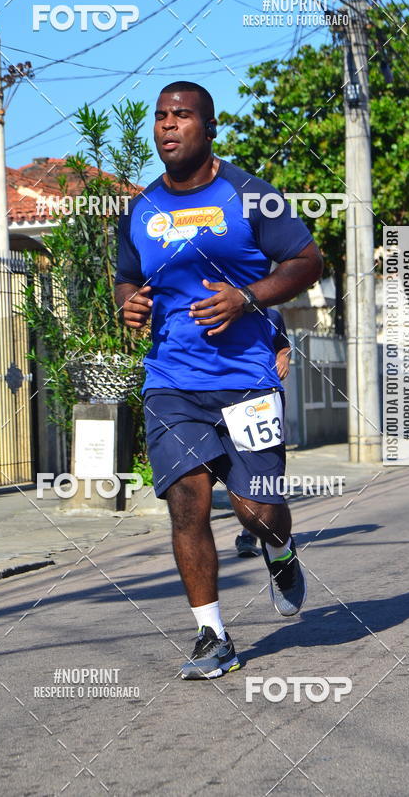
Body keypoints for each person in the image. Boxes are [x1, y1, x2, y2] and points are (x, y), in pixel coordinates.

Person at [115, 81, 323, 680]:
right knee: (188, 503)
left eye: (181, 116)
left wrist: (247, 298)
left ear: (209, 127)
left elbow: (308, 262)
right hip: (172, 380)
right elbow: (128, 277)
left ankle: (278, 550)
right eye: (160, 117)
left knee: (255, 508)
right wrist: (129, 304)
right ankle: (212, 635)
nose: (167, 126)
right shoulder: (142, 208)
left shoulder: (252, 196)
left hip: (246, 378)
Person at [235, 307, 290, 559]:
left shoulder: (271, 315)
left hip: (262, 399)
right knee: (231, 468)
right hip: (218, 396)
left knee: (262, 471)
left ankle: (253, 534)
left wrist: (283, 358)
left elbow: (283, 344)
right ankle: (251, 529)